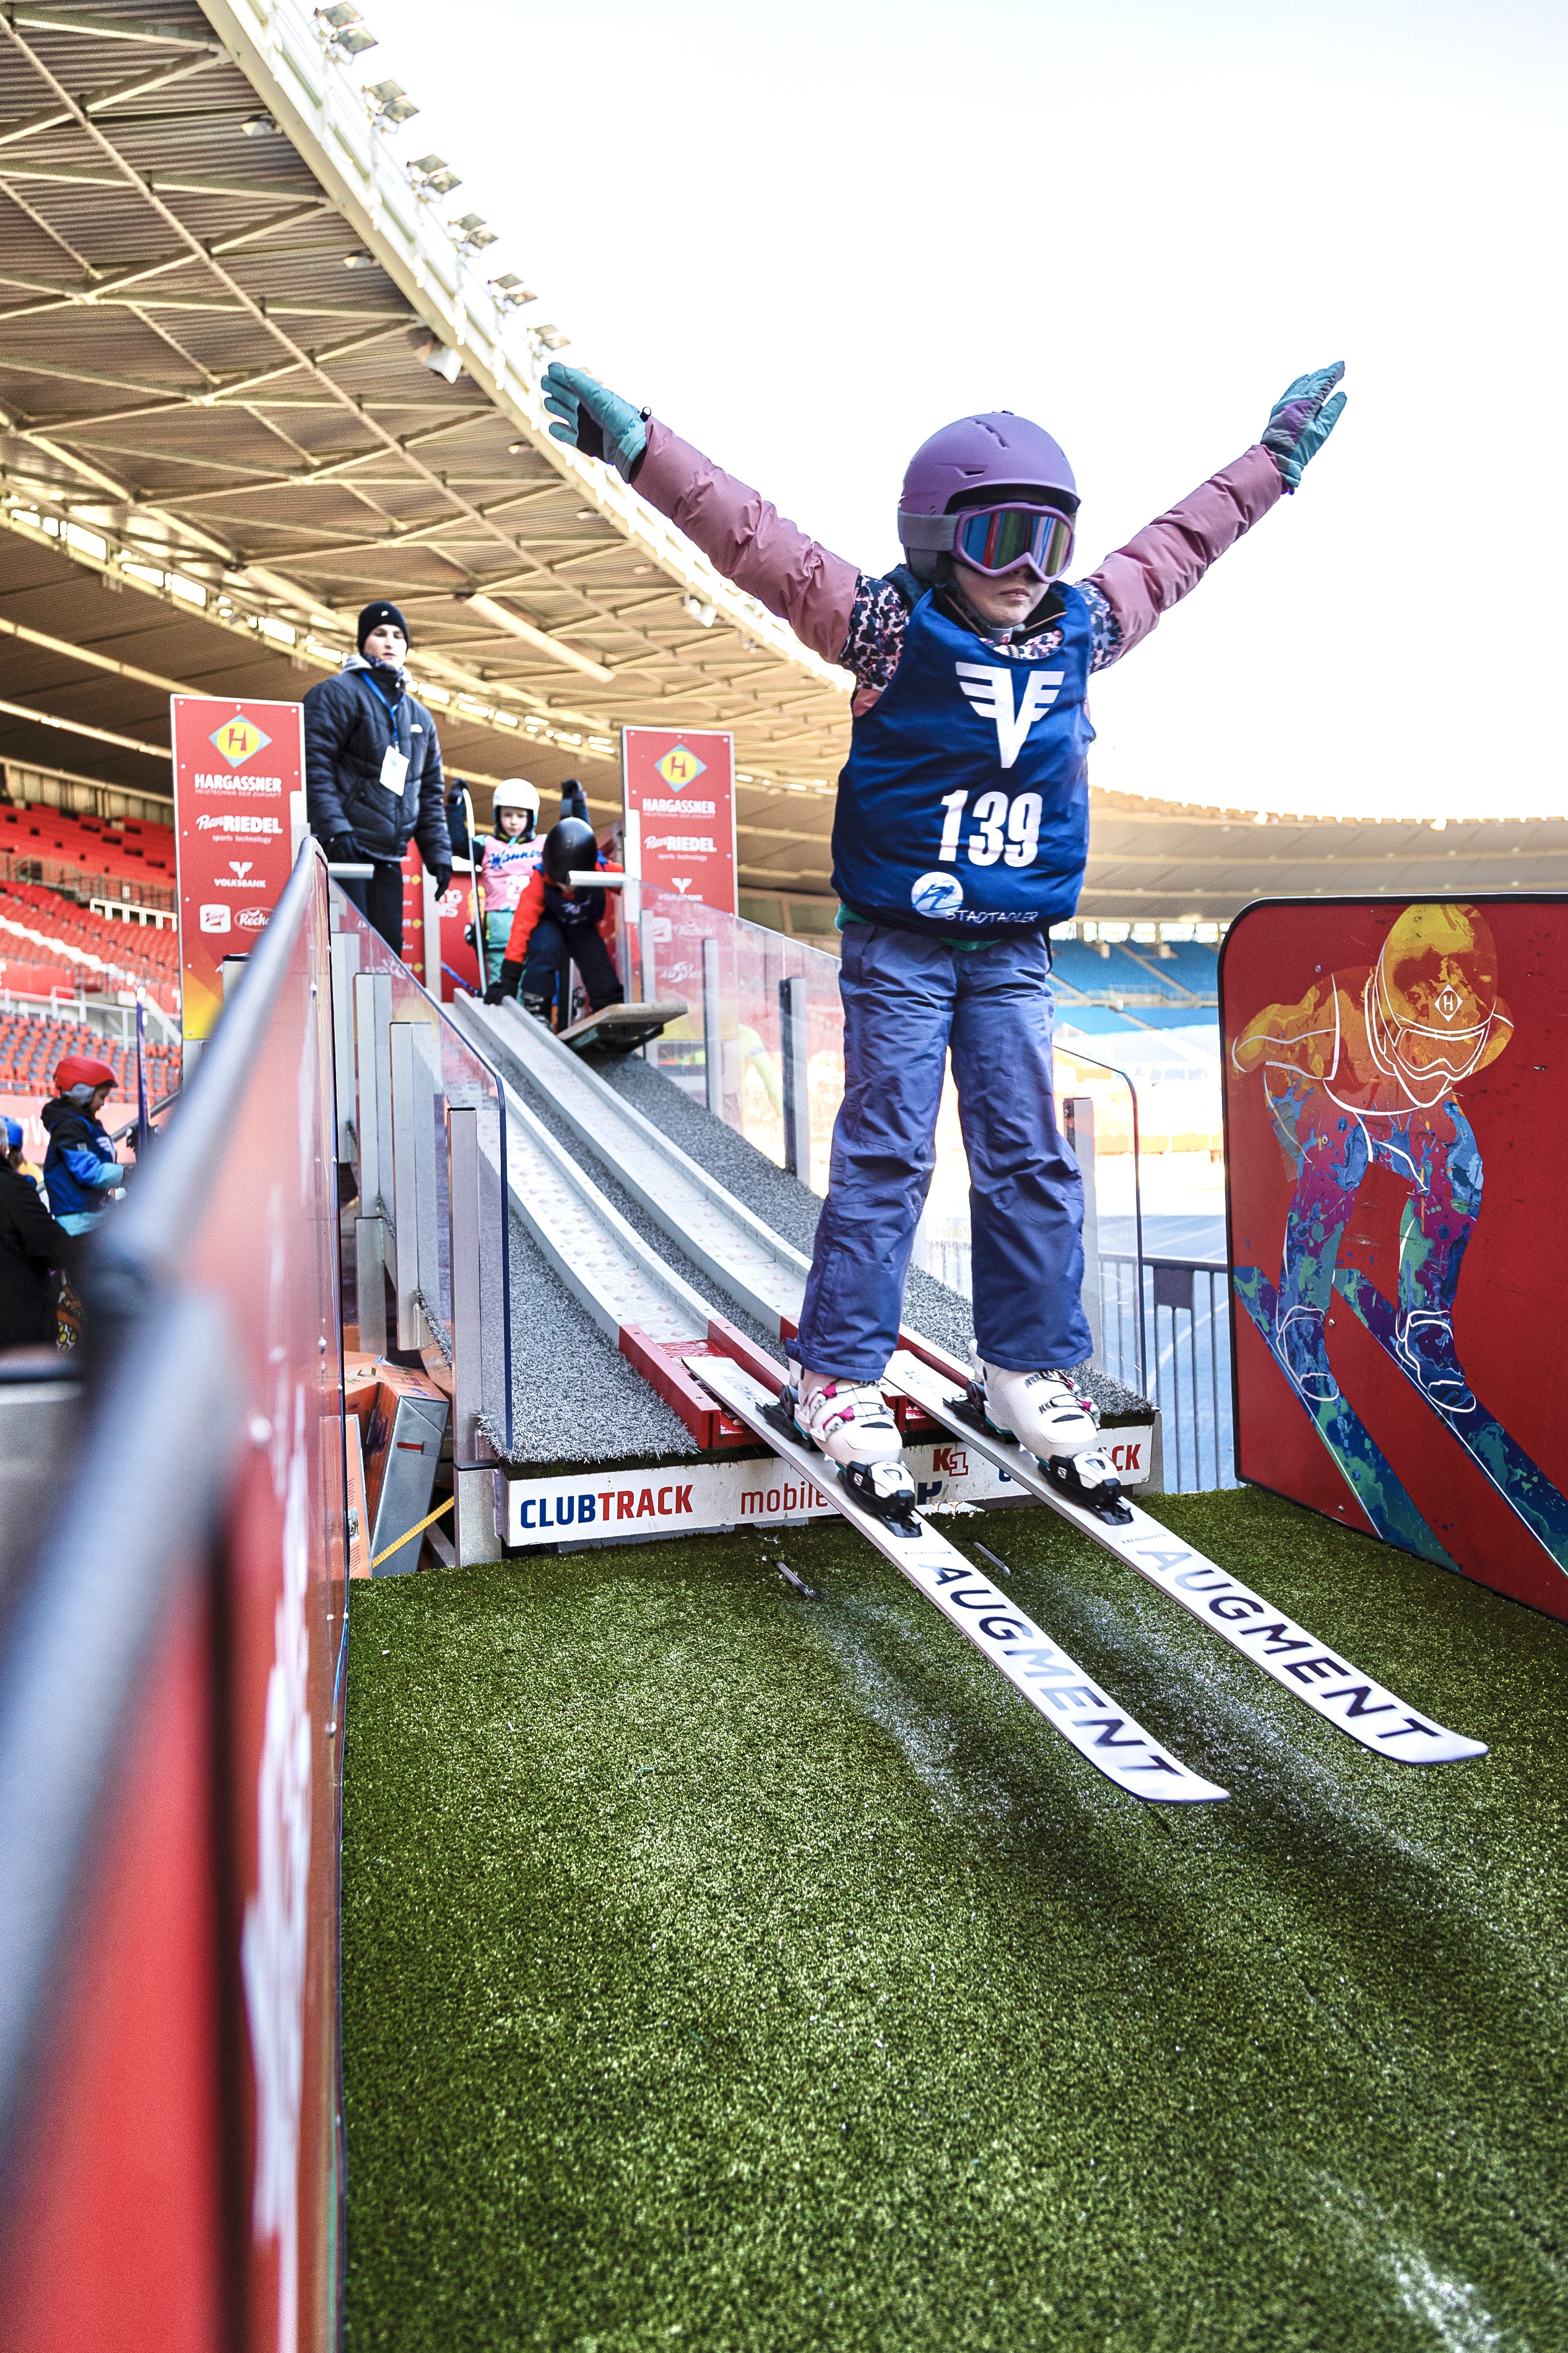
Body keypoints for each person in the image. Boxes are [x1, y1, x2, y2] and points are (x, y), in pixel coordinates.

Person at [542, 357, 1347, 1520]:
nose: (1025, 571)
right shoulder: (881, 626)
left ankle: (1023, 1364)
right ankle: (837, 1377)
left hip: (1011, 947)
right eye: (997, 539)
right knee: (887, 1158)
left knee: (1030, 1161)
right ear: (937, 539)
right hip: (903, 947)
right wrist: (639, 445)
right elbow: (755, 539)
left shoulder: (1087, 623)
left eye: (1048, 541)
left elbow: (1179, 545)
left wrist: (1268, 463)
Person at [303, 599, 452, 955]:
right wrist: (336, 829)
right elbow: (314, 765)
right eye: (379, 633)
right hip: (344, 850)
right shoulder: (336, 694)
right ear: (363, 642)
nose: (390, 642)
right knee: (345, 953)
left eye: (398, 636)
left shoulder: (419, 716)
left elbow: (429, 792)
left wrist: (438, 854)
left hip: (388, 856)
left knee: (387, 955)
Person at [485, 816, 625, 1024]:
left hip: (583, 929)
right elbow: (521, 928)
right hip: (551, 927)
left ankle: (608, 1009)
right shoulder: (540, 879)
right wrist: (509, 978)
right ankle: (537, 1005)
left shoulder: (601, 868)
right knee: (544, 945)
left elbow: (632, 882)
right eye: (561, 883)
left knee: (597, 961)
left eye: (573, 883)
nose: (567, 888)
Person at [0, 1116, 77, 1350]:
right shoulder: (13, 1187)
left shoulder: (24, 1178)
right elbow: (53, 1247)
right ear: (4, 1148)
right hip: (15, 1335)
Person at [41, 1055, 124, 1236]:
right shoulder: (70, 1127)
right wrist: (127, 1175)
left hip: (95, 1218)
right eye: (101, 1097)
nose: (103, 1103)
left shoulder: (88, 1124)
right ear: (83, 1092)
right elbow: (88, 1171)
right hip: (80, 1228)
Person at [478, 780, 542, 988]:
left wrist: (575, 803)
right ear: (498, 816)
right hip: (499, 922)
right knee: (501, 977)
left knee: (534, 978)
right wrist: (455, 808)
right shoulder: (486, 844)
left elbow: (576, 842)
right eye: (507, 815)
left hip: (534, 919)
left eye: (521, 816)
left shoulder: (544, 843)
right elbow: (456, 843)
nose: (514, 822)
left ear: (531, 818)